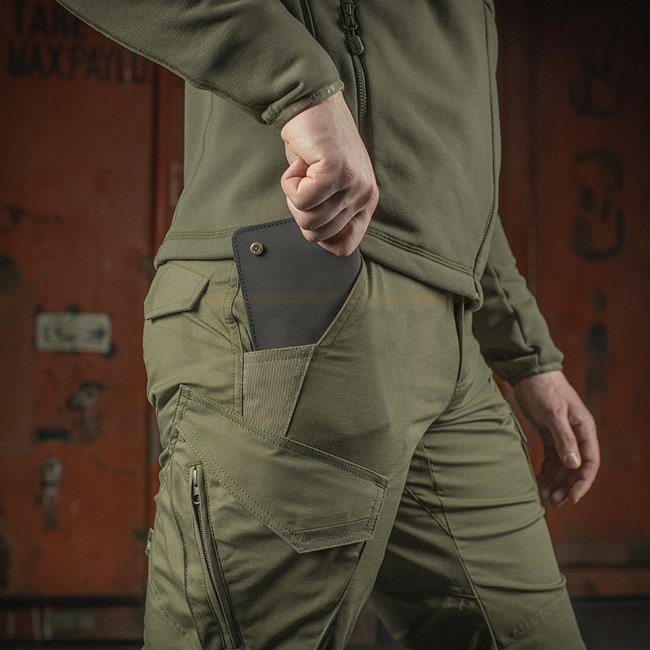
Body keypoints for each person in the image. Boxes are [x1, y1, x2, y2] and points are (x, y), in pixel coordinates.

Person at [57, 1, 600, 648]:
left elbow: (451, 178)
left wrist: (526, 353)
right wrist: (300, 91)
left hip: (452, 340)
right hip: (302, 295)